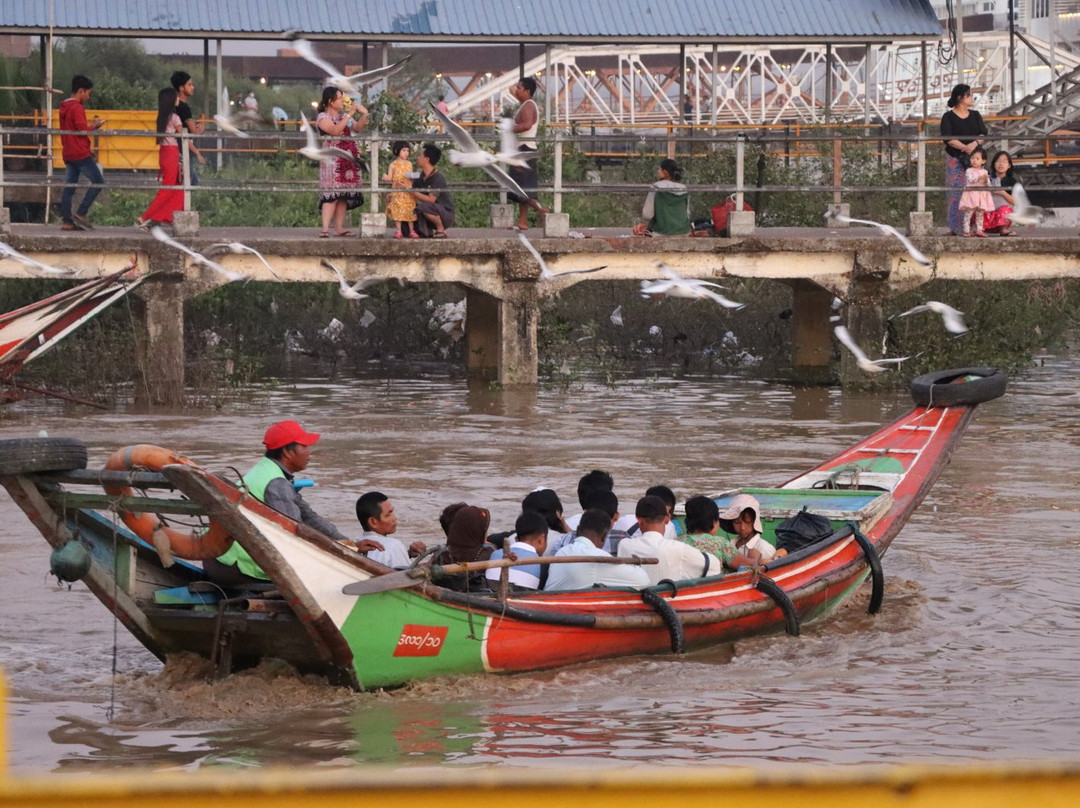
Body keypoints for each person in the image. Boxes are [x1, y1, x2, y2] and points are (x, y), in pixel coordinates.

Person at [205, 420, 382, 584]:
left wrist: (347, 544)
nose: (309, 452)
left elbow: (308, 516)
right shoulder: (277, 483)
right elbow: (296, 535)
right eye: (304, 446)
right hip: (233, 566)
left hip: (216, 557)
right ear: (288, 452)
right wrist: (344, 554)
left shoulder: (267, 470)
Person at [617, 495, 720, 585]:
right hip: (669, 602)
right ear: (667, 519)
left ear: (639, 520)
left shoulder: (624, 545)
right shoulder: (677, 548)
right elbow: (713, 565)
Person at [545, 508, 650, 591]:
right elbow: (643, 580)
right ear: (604, 537)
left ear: (577, 530)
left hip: (548, 608)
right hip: (566, 612)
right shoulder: (597, 559)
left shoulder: (562, 551)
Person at [315, 86, 368, 238]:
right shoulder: (322, 117)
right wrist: (350, 113)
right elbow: (335, 130)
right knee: (331, 193)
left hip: (347, 157)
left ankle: (339, 227)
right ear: (331, 101)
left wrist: (363, 115)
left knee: (343, 194)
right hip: (332, 159)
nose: (342, 101)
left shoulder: (344, 117)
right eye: (339, 98)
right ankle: (325, 228)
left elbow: (357, 128)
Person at [58, 74, 106, 231]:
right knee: (98, 181)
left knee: (69, 187)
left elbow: (72, 131)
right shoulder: (77, 108)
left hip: (69, 153)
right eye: (88, 93)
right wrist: (94, 126)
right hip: (80, 154)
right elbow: (80, 130)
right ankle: (81, 213)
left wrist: (88, 147)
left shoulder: (63, 107)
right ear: (81, 91)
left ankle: (67, 222)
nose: (88, 96)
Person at [941, 83, 987, 236]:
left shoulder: (975, 115)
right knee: (956, 192)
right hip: (955, 157)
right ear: (960, 98)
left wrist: (973, 144)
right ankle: (956, 227)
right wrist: (964, 147)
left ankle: (975, 227)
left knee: (976, 191)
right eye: (969, 95)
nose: (972, 97)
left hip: (975, 159)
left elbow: (983, 134)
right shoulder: (948, 116)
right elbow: (947, 137)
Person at [136, 87, 184, 229]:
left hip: (164, 153)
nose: (178, 99)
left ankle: (166, 217)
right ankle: (145, 217)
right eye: (176, 97)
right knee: (168, 188)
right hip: (172, 152)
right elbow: (184, 134)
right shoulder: (175, 118)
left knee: (177, 188)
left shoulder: (162, 117)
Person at [508, 77, 549, 230]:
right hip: (523, 149)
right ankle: (522, 222)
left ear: (527, 91)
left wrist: (509, 129)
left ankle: (543, 211)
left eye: (519, 88)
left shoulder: (528, 106)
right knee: (521, 187)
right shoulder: (525, 105)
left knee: (523, 188)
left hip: (525, 150)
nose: (516, 90)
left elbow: (527, 125)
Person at [681, 495, 761, 572]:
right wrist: (754, 557)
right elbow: (749, 565)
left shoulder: (677, 542)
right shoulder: (720, 543)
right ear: (713, 521)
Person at [429, 504, 493, 592]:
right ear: (476, 530)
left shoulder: (442, 554)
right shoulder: (489, 554)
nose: (486, 533)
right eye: (484, 529)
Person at [355, 491, 426, 568]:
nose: (394, 518)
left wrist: (407, 553)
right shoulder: (394, 545)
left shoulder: (356, 545)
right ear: (373, 522)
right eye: (388, 515)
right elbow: (407, 577)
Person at [485, 511, 548, 592]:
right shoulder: (542, 565)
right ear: (541, 540)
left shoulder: (495, 554)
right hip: (521, 603)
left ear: (516, 539)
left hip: (490, 599)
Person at [632, 158, 691, 236]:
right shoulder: (684, 188)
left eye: (659, 169)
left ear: (665, 172)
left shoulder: (656, 187)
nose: (658, 171)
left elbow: (647, 214)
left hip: (662, 231)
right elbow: (687, 213)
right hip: (683, 231)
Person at [717, 493, 777, 563]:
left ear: (754, 521)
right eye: (737, 522)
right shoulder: (730, 544)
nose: (742, 527)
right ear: (732, 522)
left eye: (747, 522)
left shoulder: (765, 549)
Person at [410, 143, 454, 238]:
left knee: (425, 206)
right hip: (428, 210)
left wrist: (411, 191)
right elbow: (412, 190)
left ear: (427, 159)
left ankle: (440, 228)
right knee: (410, 213)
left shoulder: (438, 178)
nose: (418, 158)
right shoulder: (421, 176)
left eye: (420, 156)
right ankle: (427, 231)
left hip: (444, 214)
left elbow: (431, 199)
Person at [170, 71, 205, 186]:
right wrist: (201, 125)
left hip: (176, 151)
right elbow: (192, 132)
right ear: (181, 88)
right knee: (192, 184)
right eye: (189, 85)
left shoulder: (175, 105)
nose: (192, 87)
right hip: (183, 152)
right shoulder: (183, 107)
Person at [382, 140, 418, 239]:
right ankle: (398, 231)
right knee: (397, 211)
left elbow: (410, 176)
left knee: (409, 210)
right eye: (404, 150)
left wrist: (413, 177)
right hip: (397, 191)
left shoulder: (409, 164)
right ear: (397, 151)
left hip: (407, 191)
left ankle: (412, 230)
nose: (406, 153)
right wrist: (385, 177)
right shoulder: (393, 164)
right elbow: (390, 178)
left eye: (407, 150)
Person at [958, 146, 995, 238]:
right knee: (968, 213)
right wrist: (979, 178)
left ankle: (979, 230)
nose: (974, 160)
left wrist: (986, 181)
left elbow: (989, 186)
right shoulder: (969, 171)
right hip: (971, 194)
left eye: (977, 158)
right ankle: (966, 230)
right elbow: (970, 180)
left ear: (983, 161)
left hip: (981, 195)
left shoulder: (985, 172)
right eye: (972, 158)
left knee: (980, 214)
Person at [985, 150, 1017, 236]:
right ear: (994, 164)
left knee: (1005, 210)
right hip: (988, 213)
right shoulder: (987, 178)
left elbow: (1015, 201)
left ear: (1009, 165)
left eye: (1004, 161)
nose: (1001, 164)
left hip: (1001, 217)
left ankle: (1003, 229)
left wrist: (1002, 192)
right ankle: (978, 230)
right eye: (998, 161)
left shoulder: (1012, 181)